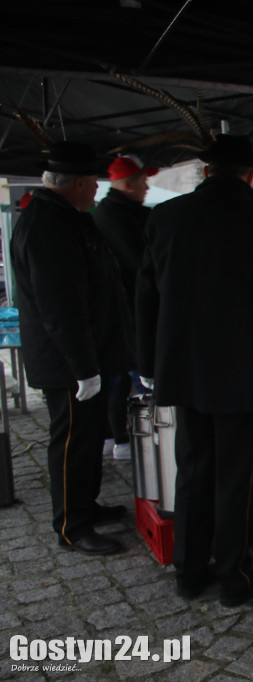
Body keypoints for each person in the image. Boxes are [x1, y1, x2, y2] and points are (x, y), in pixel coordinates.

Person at [137, 134, 253, 606]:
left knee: (193, 469)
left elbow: (146, 296)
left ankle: (189, 572)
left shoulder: (166, 216)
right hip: (242, 370)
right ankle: (235, 577)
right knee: (236, 477)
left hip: (184, 367)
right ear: (250, 174)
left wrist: (148, 362)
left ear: (206, 171)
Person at [11, 141, 133, 556]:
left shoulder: (67, 217)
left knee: (87, 437)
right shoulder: (47, 224)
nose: (97, 190)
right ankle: (71, 524)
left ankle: (86, 505)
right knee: (70, 441)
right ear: (79, 183)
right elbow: (59, 306)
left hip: (87, 354)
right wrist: (84, 367)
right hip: (67, 361)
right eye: (94, 182)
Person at [93, 153, 158, 461]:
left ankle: (115, 433)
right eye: (144, 181)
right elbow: (139, 263)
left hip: (130, 304)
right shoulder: (112, 214)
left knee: (123, 371)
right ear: (129, 183)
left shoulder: (126, 211)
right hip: (126, 307)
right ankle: (120, 435)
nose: (147, 187)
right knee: (126, 372)